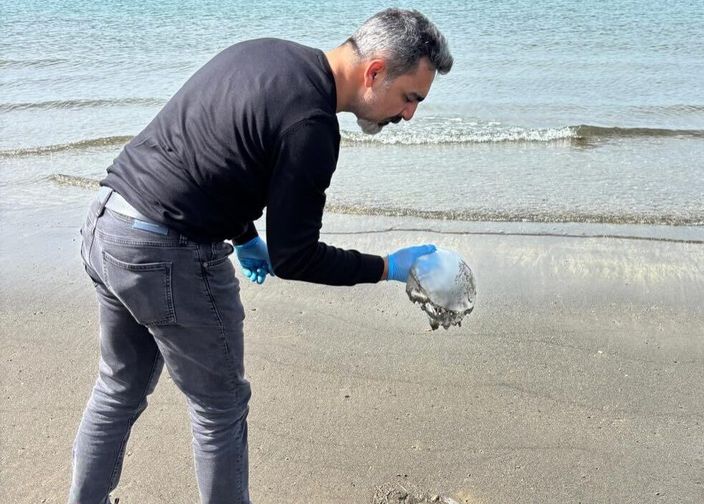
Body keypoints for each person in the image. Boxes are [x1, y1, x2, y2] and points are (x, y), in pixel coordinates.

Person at [69, 8, 452, 504]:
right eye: (409, 97)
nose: (408, 115)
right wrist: (386, 268)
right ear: (376, 71)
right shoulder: (312, 127)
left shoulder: (267, 53)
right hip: (164, 252)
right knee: (220, 409)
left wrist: (246, 234)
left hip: (108, 223)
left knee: (118, 388)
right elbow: (296, 257)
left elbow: (211, 153)